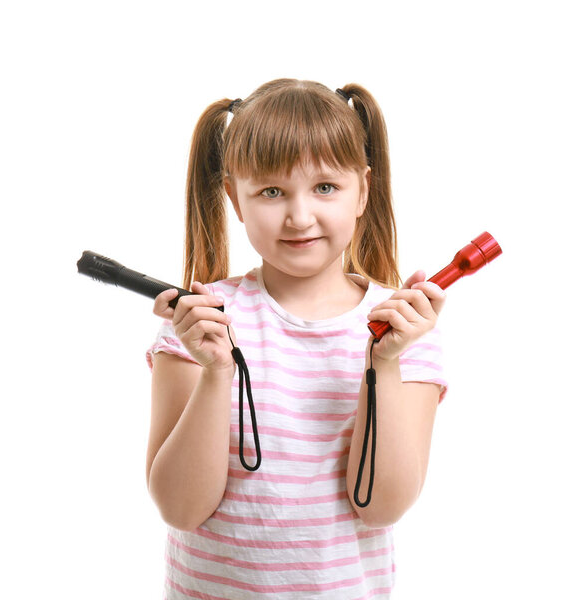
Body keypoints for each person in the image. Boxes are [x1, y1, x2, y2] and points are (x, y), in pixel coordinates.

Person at [145, 78, 448, 599]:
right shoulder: (201, 322)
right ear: (234, 199)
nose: (299, 216)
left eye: (325, 187)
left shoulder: (403, 329)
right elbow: (180, 508)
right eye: (270, 191)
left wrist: (384, 365)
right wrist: (217, 371)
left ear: (364, 192)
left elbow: (381, 506)